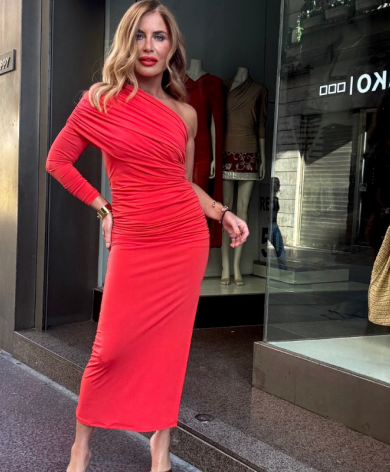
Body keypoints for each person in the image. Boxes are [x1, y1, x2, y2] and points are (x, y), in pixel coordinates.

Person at [45, 2, 249, 471]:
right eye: (139, 35)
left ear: (172, 46)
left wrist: (222, 213)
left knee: (168, 351)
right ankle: (81, 448)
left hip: (183, 239)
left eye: (159, 36)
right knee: (109, 349)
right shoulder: (100, 101)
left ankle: (161, 446)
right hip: (134, 239)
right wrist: (103, 208)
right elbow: (57, 161)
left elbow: (183, 183)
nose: (149, 46)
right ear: (126, 42)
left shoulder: (185, 114)